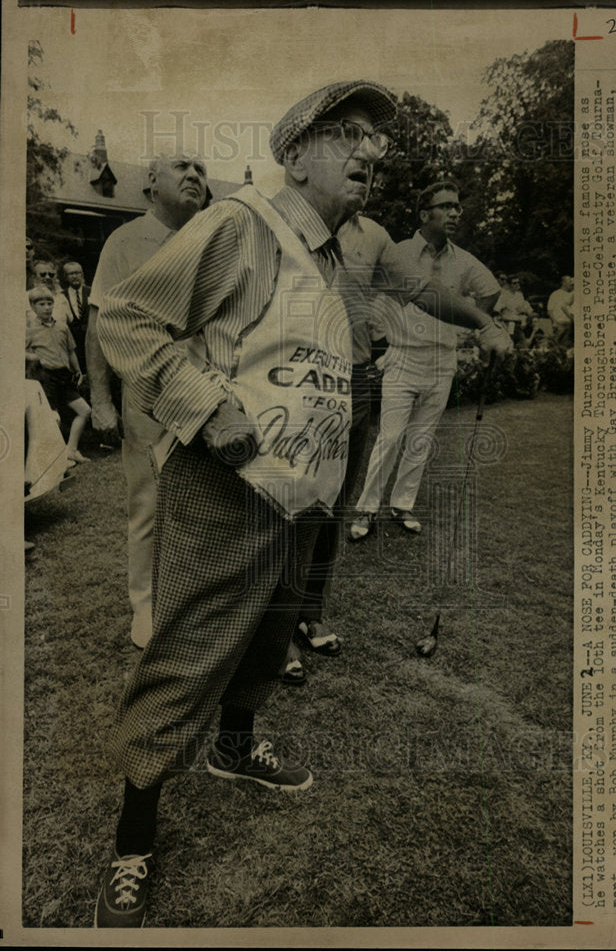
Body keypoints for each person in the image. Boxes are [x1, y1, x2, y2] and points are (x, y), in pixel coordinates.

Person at [92, 79, 429, 928]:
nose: (370, 152)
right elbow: (128, 320)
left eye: (376, 141)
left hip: (295, 488)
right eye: (349, 133)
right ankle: (132, 841)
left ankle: (236, 749)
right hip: (225, 479)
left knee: (271, 628)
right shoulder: (244, 222)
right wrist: (210, 409)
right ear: (297, 148)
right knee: (189, 647)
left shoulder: (329, 251)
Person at [281, 207, 499, 683]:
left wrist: (483, 322)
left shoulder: (376, 236)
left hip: (355, 380)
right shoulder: (277, 217)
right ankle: (274, 634)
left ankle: (309, 613)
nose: (361, 166)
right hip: (293, 380)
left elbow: (423, 291)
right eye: (346, 146)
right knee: (289, 505)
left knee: (333, 507)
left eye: (368, 154)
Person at [85, 152, 209, 648]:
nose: (195, 176)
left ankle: (190, 602)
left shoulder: (211, 238)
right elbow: (99, 322)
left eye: (200, 169)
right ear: (152, 183)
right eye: (183, 167)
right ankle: (145, 607)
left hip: (208, 390)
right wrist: (100, 398)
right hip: (148, 390)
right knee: (149, 504)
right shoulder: (125, 240)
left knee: (202, 502)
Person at [349, 180, 511, 540]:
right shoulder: (399, 251)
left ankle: (402, 504)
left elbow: (490, 289)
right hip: (403, 356)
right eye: (447, 206)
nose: (455, 213)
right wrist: (382, 341)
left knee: (421, 439)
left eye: (458, 207)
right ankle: (366, 508)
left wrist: (471, 330)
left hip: (442, 360)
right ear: (425, 213)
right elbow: (374, 299)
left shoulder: (464, 260)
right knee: (389, 438)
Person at [25, 286, 91, 465]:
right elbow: (18, 353)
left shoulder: (62, 326)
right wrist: (35, 357)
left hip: (64, 375)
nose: (46, 307)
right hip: (46, 378)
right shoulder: (30, 330)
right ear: (33, 307)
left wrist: (77, 370)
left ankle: (71, 450)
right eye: (41, 304)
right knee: (54, 418)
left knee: (84, 411)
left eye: (49, 303)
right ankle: (51, 460)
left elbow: (70, 351)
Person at [59, 261, 91, 371]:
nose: (75, 276)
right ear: (65, 277)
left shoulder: (92, 292)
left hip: (91, 338)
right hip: (73, 340)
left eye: (77, 273)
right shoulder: (61, 296)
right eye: (71, 274)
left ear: (82, 275)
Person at [494, 274, 535, 348]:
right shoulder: (504, 295)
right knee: (509, 346)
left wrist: (525, 315)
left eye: (518, 282)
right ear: (509, 285)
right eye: (514, 283)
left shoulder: (520, 295)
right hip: (508, 324)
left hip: (518, 325)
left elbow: (524, 310)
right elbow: (496, 310)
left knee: (523, 347)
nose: (517, 285)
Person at [547, 274, 574, 348]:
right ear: (563, 283)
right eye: (569, 281)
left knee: (565, 347)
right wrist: (554, 322)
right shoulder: (555, 294)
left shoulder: (571, 295)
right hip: (559, 324)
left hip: (569, 324)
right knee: (555, 345)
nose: (571, 283)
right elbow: (549, 310)